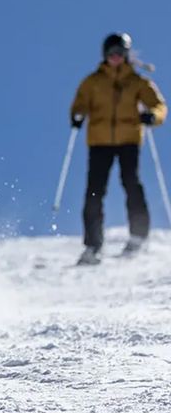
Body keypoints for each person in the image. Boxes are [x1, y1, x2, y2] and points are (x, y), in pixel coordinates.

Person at [70, 32, 167, 265]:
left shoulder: (137, 82)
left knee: (131, 182)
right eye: (111, 53)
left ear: (126, 55)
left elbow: (159, 105)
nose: (115, 58)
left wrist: (152, 116)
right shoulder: (93, 81)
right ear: (105, 55)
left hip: (128, 139)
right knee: (95, 190)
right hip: (100, 141)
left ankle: (138, 236)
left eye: (120, 53)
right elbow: (79, 103)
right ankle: (93, 245)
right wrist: (77, 115)